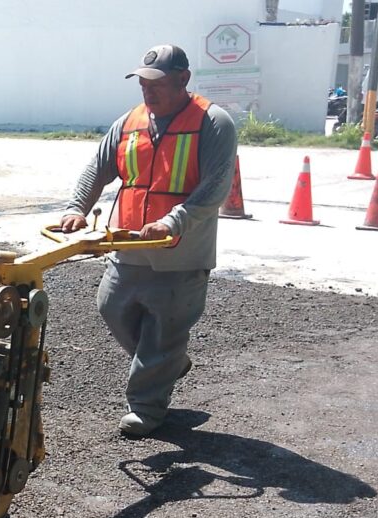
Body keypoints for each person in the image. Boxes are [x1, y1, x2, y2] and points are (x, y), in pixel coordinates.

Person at [60, 44, 236, 437]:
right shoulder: (129, 122)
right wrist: (77, 208)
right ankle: (168, 362)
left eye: (156, 84)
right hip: (129, 247)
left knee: (163, 330)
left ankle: (146, 407)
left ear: (183, 79)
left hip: (181, 254)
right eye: (142, 83)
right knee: (111, 307)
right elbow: (97, 170)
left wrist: (174, 221)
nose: (147, 91)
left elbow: (215, 187)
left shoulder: (213, 123)